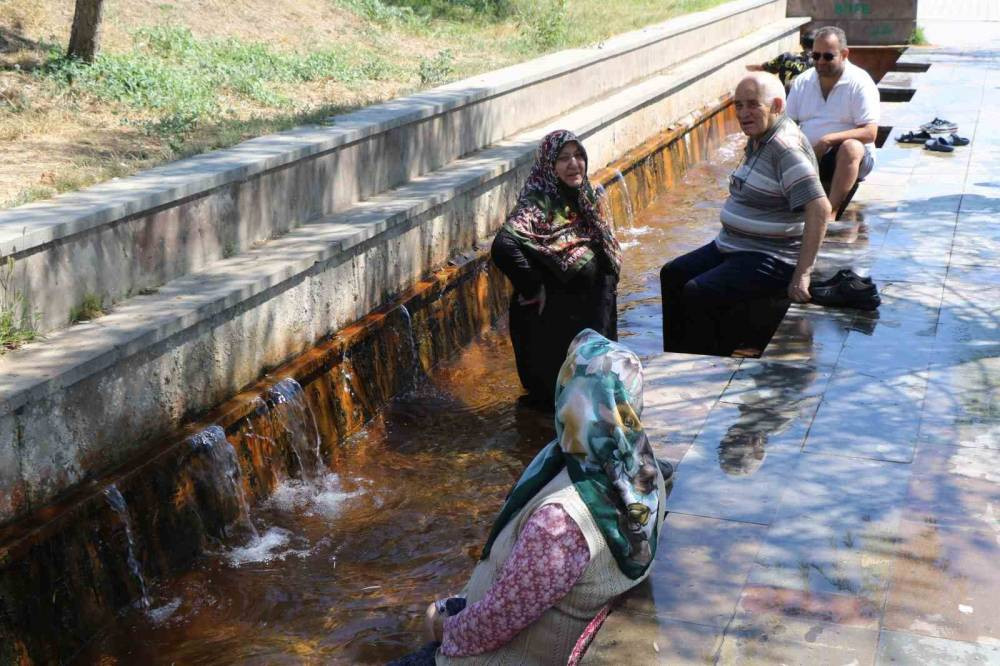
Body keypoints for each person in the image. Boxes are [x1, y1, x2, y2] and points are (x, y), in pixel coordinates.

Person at [391, 330, 668, 666]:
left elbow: (492, 625)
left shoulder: (562, 522)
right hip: (551, 615)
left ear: (570, 396)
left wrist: (442, 630)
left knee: (429, 623)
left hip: (508, 654)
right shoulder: (641, 469)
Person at [659, 72, 831, 356]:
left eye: (752, 104)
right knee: (673, 273)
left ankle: (711, 362)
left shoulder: (784, 148)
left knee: (698, 291)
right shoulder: (760, 137)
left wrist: (803, 274)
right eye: (738, 105)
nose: (743, 113)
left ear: (777, 105)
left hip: (769, 256)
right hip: (735, 245)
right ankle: (679, 355)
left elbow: (819, 207)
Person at [491, 130, 621, 408]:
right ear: (549, 166)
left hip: (589, 330)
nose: (573, 164)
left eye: (578, 156)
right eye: (563, 158)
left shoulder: (583, 197)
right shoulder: (539, 204)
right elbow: (503, 247)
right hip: (555, 340)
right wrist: (534, 286)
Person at [786, 26, 879, 220]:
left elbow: (870, 133)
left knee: (851, 147)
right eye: (816, 56)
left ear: (844, 54)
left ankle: (831, 210)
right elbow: (787, 124)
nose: (820, 62)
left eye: (828, 57)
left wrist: (828, 140)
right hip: (811, 155)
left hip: (852, 158)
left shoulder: (859, 82)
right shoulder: (803, 81)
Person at [747, 29, 815, 92]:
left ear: (802, 44)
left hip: (784, 96)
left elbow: (764, 67)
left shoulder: (786, 56)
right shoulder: (817, 62)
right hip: (802, 97)